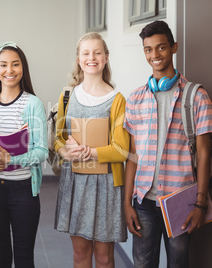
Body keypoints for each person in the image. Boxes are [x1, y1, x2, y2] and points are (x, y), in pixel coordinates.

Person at [124, 20, 212, 267]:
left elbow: (205, 154)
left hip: (181, 201)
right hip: (143, 202)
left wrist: (200, 203)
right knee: (143, 264)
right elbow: (132, 155)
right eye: (148, 49)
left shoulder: (197, 96)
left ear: (173, 48)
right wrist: (126, 204)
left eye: (161, 47)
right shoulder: (135, 99)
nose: (155, 54)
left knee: (178, 263)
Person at [53, 32, 130, 268]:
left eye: (97, 52)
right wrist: (64, 152)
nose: (91, 58)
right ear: (78, 59)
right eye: (86, 53)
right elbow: (58, 138)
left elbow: (121, 150)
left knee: (105, 258)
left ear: (106, 58)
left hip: (106, 185)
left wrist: (88, 151)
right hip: (75, 182)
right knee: (80, 254)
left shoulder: (118, 100)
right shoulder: (67, 96)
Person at [0, 41, 48, 268]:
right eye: (4, 65)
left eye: (15, 65)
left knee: (24, 258)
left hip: (23, 191)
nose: (10, 70)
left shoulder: (33, 103)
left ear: (23, 68)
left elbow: (41, 151)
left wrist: (12, 160)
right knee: (0, 257)